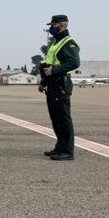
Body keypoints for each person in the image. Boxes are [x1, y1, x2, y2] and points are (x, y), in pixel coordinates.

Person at [38, 15, 80, 161]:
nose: (51, 28)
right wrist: (44, 82)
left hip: (61, 84)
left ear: (62, 26)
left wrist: (54, 71)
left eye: (53, 25)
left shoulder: (68, 42)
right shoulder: (56, 43)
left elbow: (74, 63)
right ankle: (60, 147)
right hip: (53, 84)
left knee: (63, 118)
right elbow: (48, 64)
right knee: (55, 118)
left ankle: (68, 151)